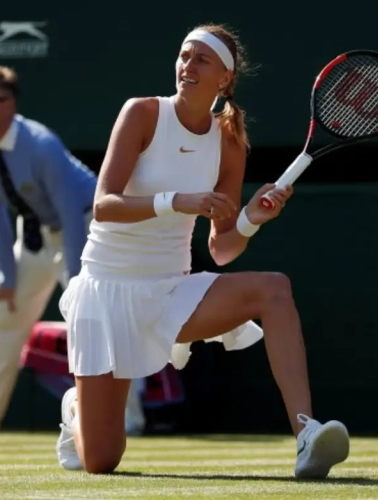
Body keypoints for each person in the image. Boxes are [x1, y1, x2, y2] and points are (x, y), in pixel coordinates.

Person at [54, 24, 351, 478]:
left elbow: (223, 248)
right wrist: (176, 200)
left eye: (200, 60)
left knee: (274, 290)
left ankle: (306, 433)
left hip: (171, 292)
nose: (187, 66)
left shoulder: (229, 141)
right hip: (106, 292)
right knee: (101, 460)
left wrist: (252, 217)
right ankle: (76, 407)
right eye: (184, 56)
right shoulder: (142, 113)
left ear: (224, 80)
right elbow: (103, 206)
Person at [0, 66, 146, 436]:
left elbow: (69, 215)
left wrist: (79, 281)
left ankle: (127, 417)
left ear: (8, 105)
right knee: (3, 309)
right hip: (35, 234)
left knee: (98, 317)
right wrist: (6, 277)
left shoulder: (42, 145)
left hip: (88, 226)